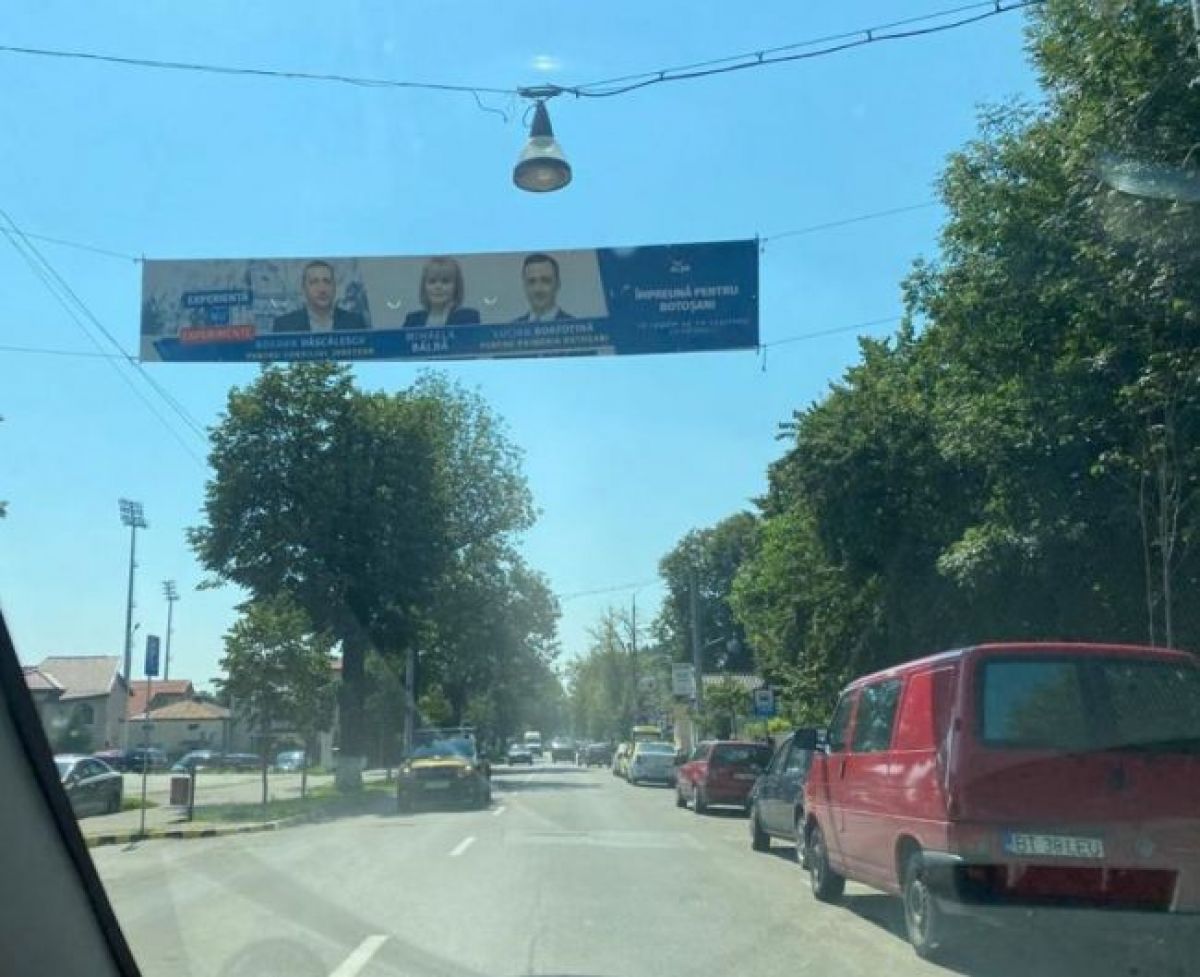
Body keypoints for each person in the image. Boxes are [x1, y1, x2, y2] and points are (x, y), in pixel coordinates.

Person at [272, 260, 368, 333]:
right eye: (314, 282)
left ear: (334, 287)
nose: (322, 289)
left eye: (327, 281)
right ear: (303, 289)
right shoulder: (284, 325)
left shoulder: (355, 323)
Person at [403, 257, 480, 327]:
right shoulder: (412, 320)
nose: (438, 286)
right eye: (432, 281)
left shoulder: (469, 318)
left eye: (445, 281)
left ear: (456, 286)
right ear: (424, 287)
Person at [513, 252, 572, 322]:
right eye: (531, 281)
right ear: (524, 286)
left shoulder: (575, 326)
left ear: (558, 284)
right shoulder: (513, 327)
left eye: (545, 281)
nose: (538, 289)